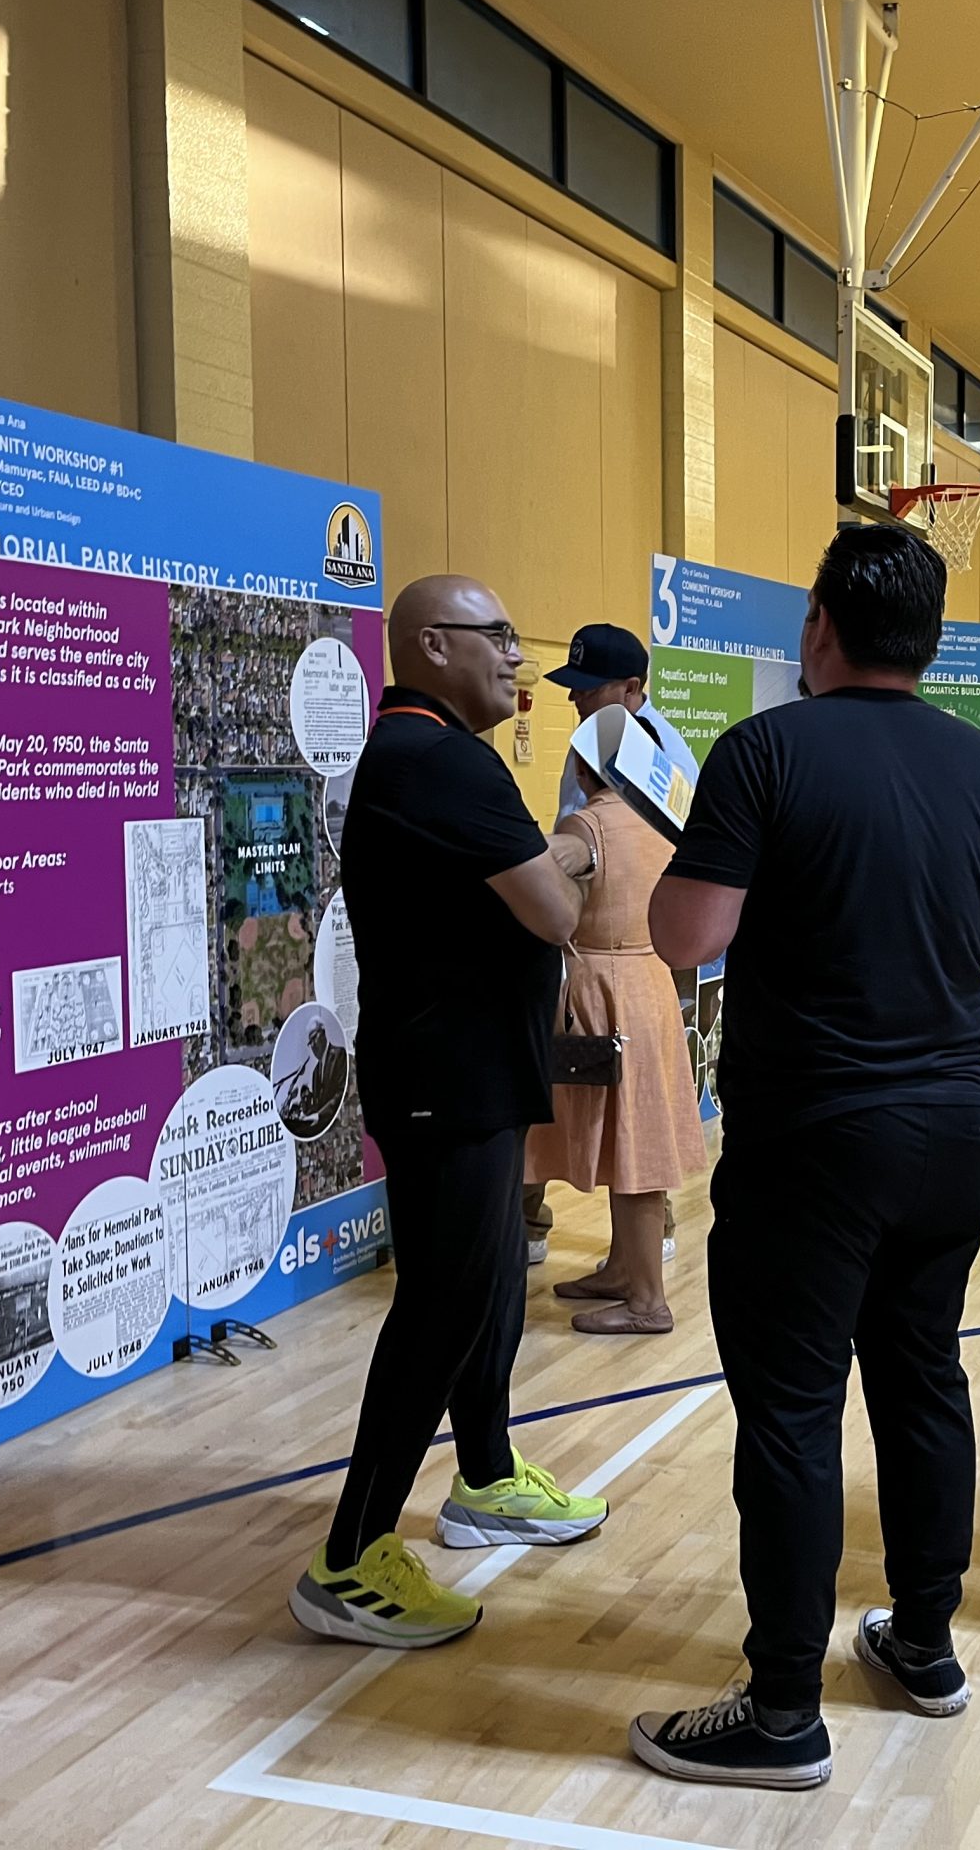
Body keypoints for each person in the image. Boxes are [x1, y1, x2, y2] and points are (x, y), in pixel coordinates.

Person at [630, 526, 980, 1791]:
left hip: (810, 1140)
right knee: (924, 1381)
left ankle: (781, 1710)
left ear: (818, 626)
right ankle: (922, 1645)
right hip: (950, 1134)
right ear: (928, 637)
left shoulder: (767, 750)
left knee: (794, 1415)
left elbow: (687, 935)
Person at [288, 575, 609, 1653]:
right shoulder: (434, 758)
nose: (519, 659)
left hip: (475, 1071)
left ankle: (481, 1478)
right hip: (447, 1078)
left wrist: (543, 858)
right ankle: (349, 1559)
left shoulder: (436, 756)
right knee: (441, 1306)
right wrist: (568, 846)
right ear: (432, 644)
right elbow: (557, 907)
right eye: (500, 638)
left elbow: (517, 903)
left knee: (483, 1290)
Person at [524, 623, 694, 1268]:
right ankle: (541, 1224)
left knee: (628, 1112)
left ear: (631, 688)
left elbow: (613, 855)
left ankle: (640, 1250)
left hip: (619, 957)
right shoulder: (598, 740)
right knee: (583, 1102)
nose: (576, 702)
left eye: (588, 691)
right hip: (612, 960)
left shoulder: (660, 761)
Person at [528, 751, 708, 1335]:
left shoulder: (585, 825)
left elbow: (558, 885)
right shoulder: (658, 817)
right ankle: (627, 1271)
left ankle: (647, 1301)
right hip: (650, 983)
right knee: (634, 1138)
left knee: (628, 1146)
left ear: (581, 773)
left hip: (601, 992)